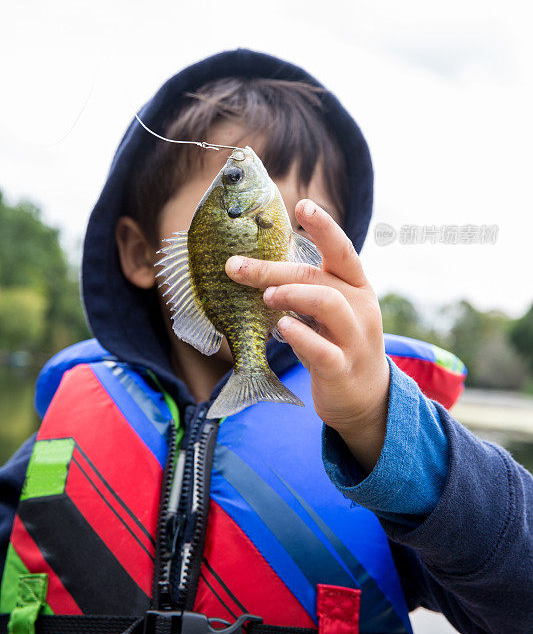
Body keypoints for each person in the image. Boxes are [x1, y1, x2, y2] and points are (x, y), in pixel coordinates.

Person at [0, 48, 531, 634]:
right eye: (245, 191)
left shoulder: (374, 445)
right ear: (138, 253)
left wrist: (385, 430)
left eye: (303, 225)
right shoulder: (72, 422)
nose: (276, 239)